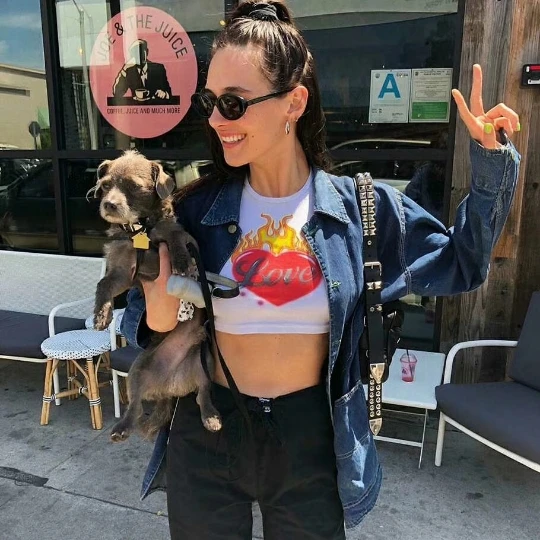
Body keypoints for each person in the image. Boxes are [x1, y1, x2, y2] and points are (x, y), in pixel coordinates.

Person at [120, 1, 521, 538]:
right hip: (211, 424)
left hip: (311, 433)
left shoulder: (361, 212)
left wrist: (491, 160)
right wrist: (158, 316)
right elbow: (138, 318)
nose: (215, 120)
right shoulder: (195, 212)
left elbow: (463, 263)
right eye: (210, 102)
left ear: (294, 102)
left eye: (233, 104)